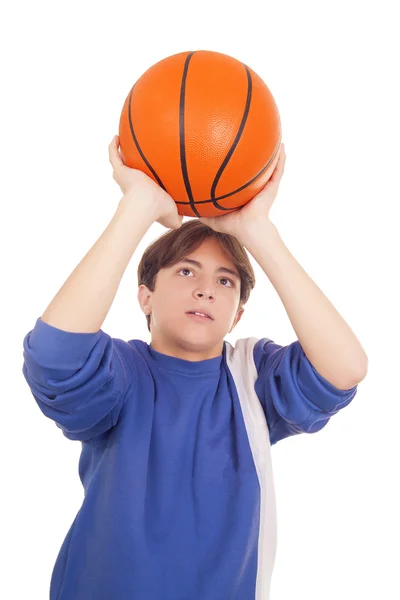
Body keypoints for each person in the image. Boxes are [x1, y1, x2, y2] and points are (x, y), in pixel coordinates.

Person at [22, 136, 368, 600]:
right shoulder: (121, 372)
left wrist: (257, 230)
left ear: (238, 314)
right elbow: (53, 355)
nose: (206, 289)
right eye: (186, 271)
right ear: (146, 295)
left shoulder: (252, 376)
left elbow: (345, 368)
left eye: (225, 281)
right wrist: (138, 206)